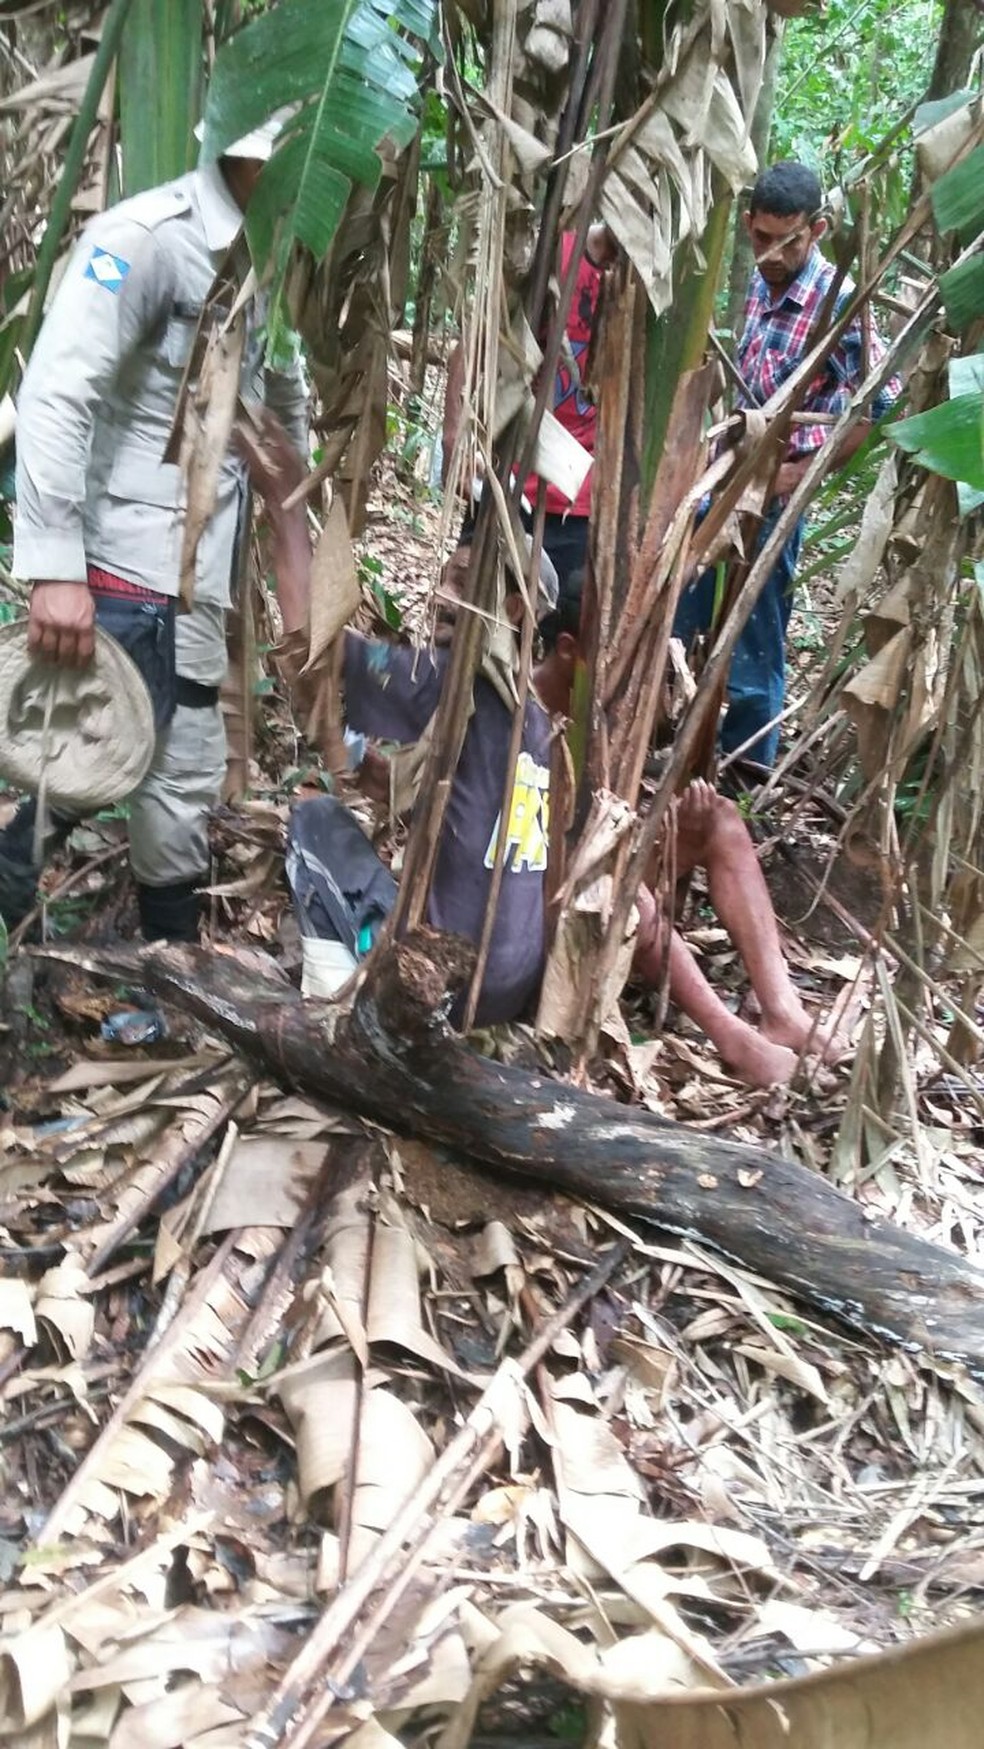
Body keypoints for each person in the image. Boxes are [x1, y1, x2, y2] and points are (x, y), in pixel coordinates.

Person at [244, 416, 845, 1087]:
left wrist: (285, 507)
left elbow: (312, 655)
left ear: (506, 611)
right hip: (519, 989)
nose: (446, 597)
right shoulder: (537, 721)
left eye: (463, 584)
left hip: (450, 991)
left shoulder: (461, 685)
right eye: (449, 578)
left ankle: (338, 1005)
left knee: (314, 819)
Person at [0, 117, 308, 940]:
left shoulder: (269, 262)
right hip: (119, 575)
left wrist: (301, 569)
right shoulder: (147, 238)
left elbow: (284, 422)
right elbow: (59, 393)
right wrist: (57, 567)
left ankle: (170, 976)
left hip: (196, 586)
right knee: (71, 774)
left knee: (181, 782)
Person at [674, 160, 901, 767]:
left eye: (788, 240)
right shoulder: (758, 283)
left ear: (818, 230)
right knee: (683, 597)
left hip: (779, 493)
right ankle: (669, 732)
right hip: (723, 481)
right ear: (748, 223)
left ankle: (748, 773)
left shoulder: (843, 302)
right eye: (761, 238)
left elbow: (875, 409)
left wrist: (795, 478)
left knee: (757, 629)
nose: (772, 253)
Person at [442, 223, 616, 596]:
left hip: (583, 504)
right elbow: (482, 330)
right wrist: (454, 432)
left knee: (556, 634)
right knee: (469, 609)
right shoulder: (554, 250)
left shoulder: (658, 289)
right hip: (509, 479)